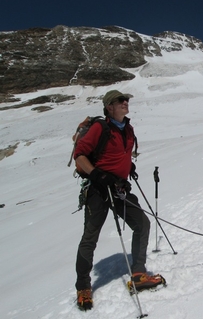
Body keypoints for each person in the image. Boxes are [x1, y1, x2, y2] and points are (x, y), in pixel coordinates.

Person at [74, 90, 164, 310]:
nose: (125, 103)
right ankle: (83, 287)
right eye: (120, 101)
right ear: (109, 107)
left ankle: (139, 274)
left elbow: (120, 153)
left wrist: (128, 166)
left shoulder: (128, 129)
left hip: (119, 188)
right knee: (90, 237)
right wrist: (95, 174)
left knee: (142, 224)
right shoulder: (100, 128)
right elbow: (80, 155)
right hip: (98, 189)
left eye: (126, 100)